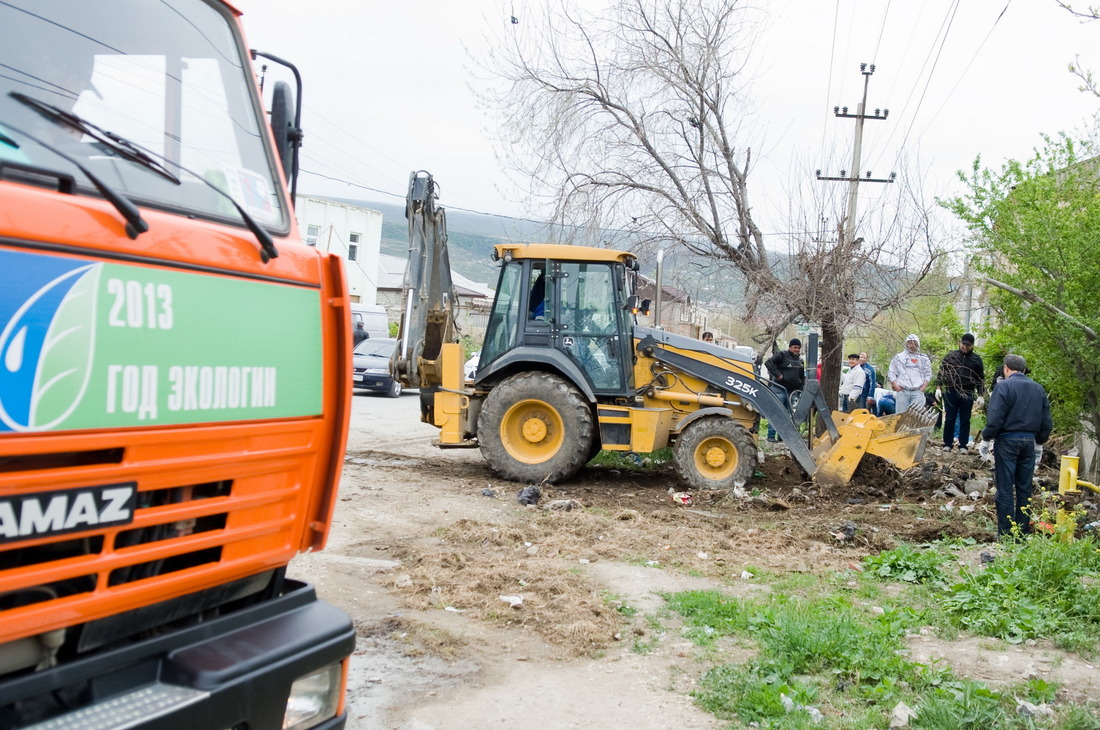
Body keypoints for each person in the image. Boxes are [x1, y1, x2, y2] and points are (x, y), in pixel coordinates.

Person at [980, 354, 1052, 538]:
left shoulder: (1003, 386)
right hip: (1029, 442)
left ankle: (1006, 533)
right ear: (1023, 369)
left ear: (1006, 368)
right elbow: (1046, 421)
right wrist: (1040, 442)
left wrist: (986, 438)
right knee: (1024, 488)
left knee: (1005, 488)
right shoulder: (1038, 389)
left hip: (1007, 441)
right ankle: (1021, 532)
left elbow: (995, 418)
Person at [937, 333, 985, 453]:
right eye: (963, 344)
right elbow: (942, 371)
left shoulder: (976, 360)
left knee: (965, 419)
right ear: (960, 343)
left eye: (967, 345)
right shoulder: (951, 356)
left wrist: (980, 395)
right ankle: (947, 443)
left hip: (968, 392)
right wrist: (938, 387)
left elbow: (980, 379)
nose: (964, 346)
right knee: (950, 418)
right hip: (951, 390)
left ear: (972, 345)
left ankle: (963, 445)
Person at [764, 338, 805, 442]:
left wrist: (801, 387)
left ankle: (782, 436)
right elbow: (768, 363)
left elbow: (801, 376)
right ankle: (771, 435)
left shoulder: (800, 361)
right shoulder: (782, 355)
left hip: (791, 392)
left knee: (787, 414)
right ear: (790, 347)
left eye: (798, 348)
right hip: (779, 389)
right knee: (776, 412)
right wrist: (778, 375)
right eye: (795, 347)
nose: (797, 349)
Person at [888, 334, 932, 414]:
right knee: (901, 417)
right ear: (906, 344)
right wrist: (895, 385)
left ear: (918, 343)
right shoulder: (899, 357)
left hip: (917, 391)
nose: (912, 345)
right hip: (903, 391)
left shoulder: (923, 358)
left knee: (916, 417)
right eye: (910, 342)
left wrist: (923, 388)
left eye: (914, 342)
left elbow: (928, 374)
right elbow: (891, 372)